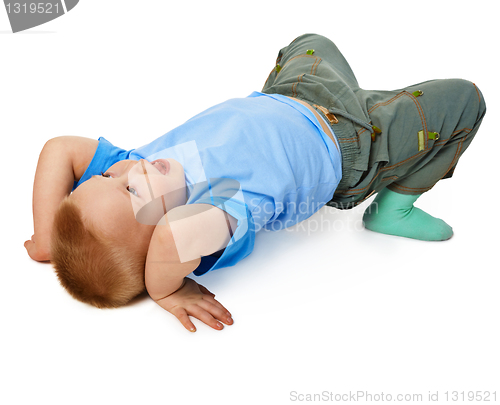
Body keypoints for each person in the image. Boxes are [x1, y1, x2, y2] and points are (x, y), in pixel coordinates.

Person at [24, 34, 486, 332]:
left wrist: (48, 238)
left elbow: (59, 149)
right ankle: (394, 206)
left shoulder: (139, 167)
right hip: (353, 148)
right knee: (465, 99)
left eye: (106, 176)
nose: (126, 168)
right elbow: (169, 239)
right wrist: (165, 287)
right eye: (129, 190)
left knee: (311, 39)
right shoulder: (220, 211)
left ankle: (372, 101)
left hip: (294, 94)